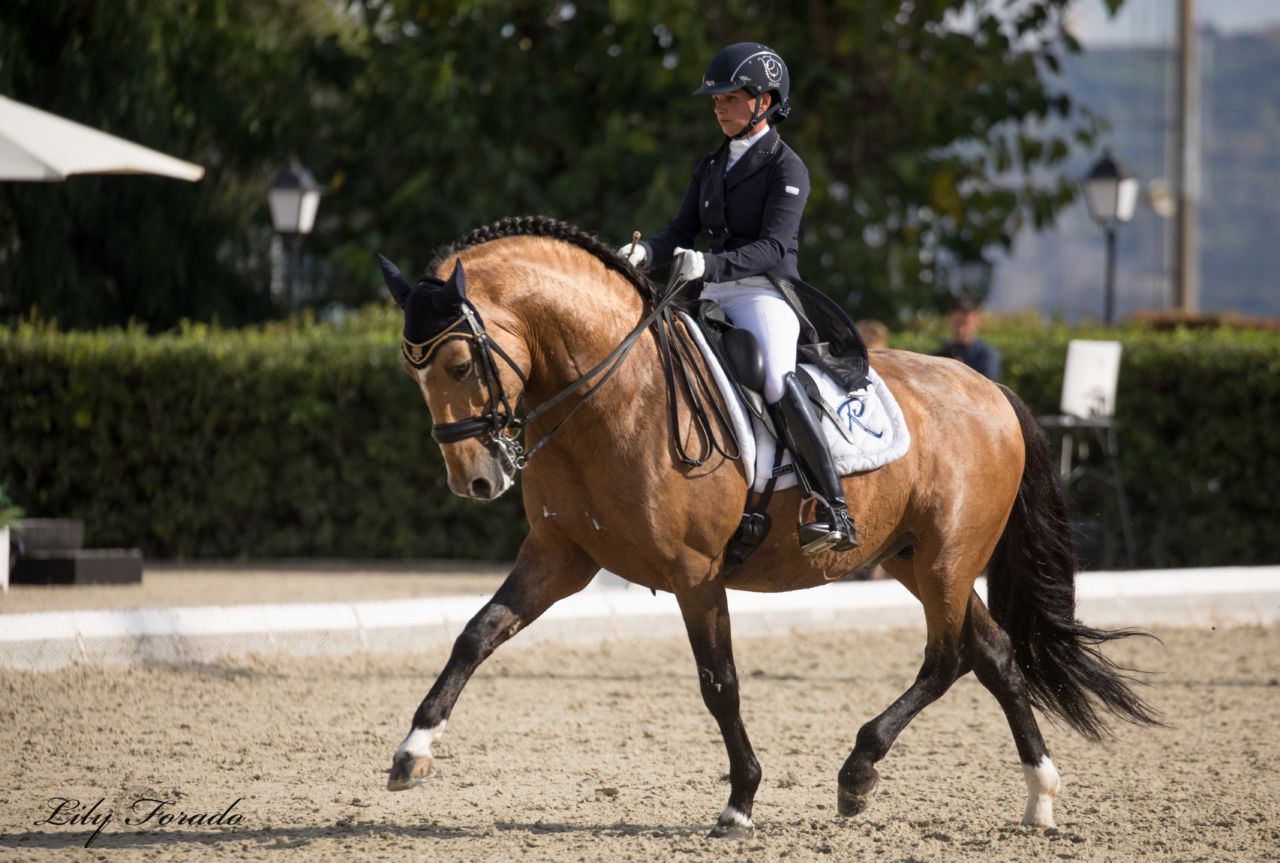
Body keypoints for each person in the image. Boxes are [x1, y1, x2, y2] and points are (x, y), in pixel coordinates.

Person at [617, 42, 858, 554]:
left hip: (764, 293)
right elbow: (679, 231)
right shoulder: (710, 165)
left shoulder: (786, 168)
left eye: (728, 97)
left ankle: (832, 506)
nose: (718, 107)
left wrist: (709, 264)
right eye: (716, 99)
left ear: (763, 103)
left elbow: (773, 248)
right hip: (708, 292)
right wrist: (642, 254)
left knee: (772, 373)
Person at [937, 295, 1002, 381]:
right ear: (949, 319)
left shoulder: (987, 356)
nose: (961, 329)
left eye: (965, 324)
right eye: (957, 323)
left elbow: (990, 390)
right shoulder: (941, 352)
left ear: (977, 321)